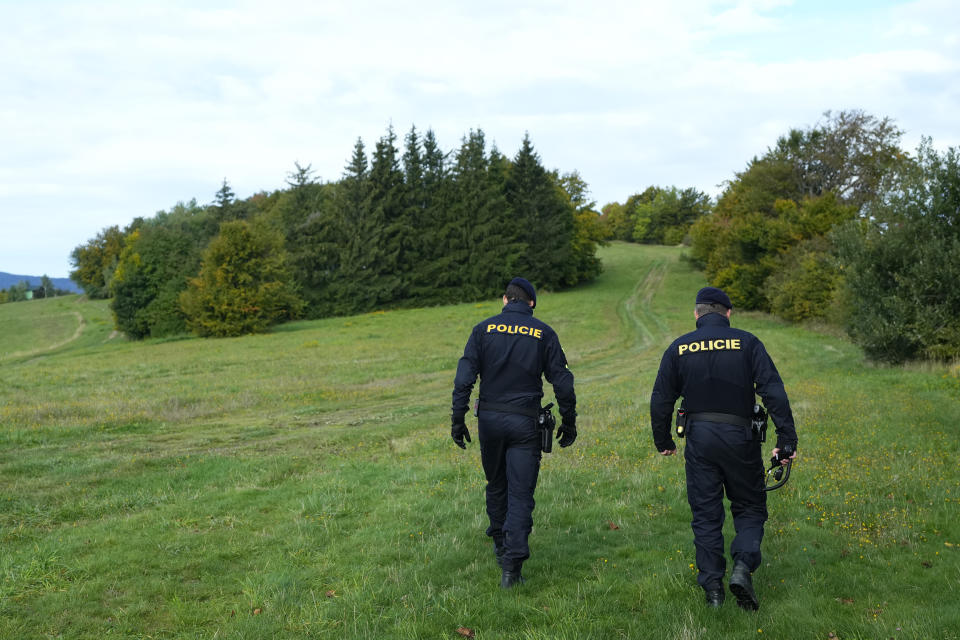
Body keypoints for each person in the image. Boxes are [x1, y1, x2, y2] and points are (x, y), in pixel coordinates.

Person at [649, 286, 798, 610]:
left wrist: (663, 440)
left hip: (700, 438)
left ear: (697, 313)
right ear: (727, 313)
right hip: (739, 436)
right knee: (750, 507)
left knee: (706, 514)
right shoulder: (747, 343)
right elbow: (773, 391)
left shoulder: (679, 347)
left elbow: (661, 398)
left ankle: (713, 590)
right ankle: (743, 566)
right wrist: (786, 440)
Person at [451, 277, 577, 588]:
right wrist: (569, 420)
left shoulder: (483, 330)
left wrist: (458, 419)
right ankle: (512, 568)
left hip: (490, 421)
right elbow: (562, 382)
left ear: (505, 300)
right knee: (521, 494)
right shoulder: (543, 333)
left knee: (496, 484)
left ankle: (500, 545)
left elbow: (464, 378)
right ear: (531, 303)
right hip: (525, 422)